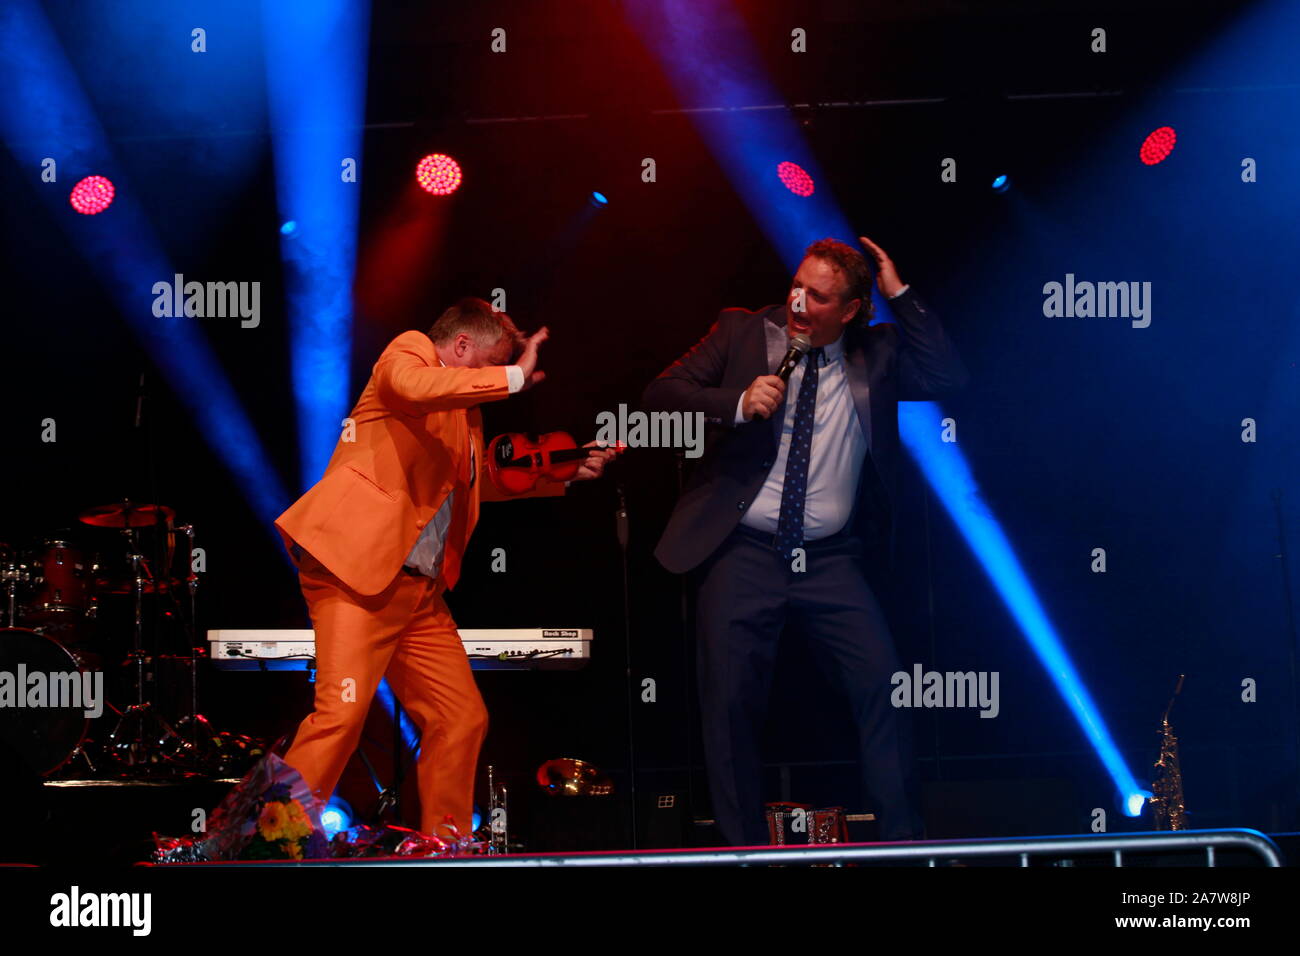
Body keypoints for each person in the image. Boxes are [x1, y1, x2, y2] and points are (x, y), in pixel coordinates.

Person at [642, 236, 968, 845]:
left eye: (818, 297)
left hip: (829, 560)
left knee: (884, 688)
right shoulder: (742, 332)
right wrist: (734, 403)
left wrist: (898, 291)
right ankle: (741, 855)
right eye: (797, 285)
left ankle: (901, 847)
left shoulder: (878, 351)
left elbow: (950, 373)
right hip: (743, 550)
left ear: (850, 310)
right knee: (730, 706)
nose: (798, 301)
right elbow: (659, 396)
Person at [275, 297, 616, 840]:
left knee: (461, 717)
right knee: (339, 716)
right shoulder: (407, 353)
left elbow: (473, 486)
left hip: (418, 595)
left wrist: (564, 474)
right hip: (355, 572)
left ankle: (444, 844)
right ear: (461, 346)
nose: (492, 384)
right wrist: (512, 376)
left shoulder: (465, 416)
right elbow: (414, 387)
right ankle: (274, 837)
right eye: (487, 366)